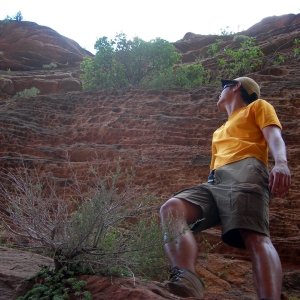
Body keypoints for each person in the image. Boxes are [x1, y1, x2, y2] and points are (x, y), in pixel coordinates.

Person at [158, 77, 291, 300]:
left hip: (246, 169)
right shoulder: (219, 130)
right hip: (215, 180)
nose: (219, 93)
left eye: (223, 87)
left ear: (236, 86)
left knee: (254, 234)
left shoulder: (258, 106)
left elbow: (274, 136)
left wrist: (281, 163)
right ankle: (186, 279)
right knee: (172, 209)